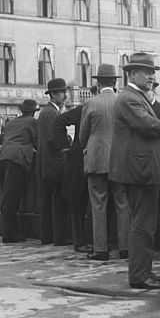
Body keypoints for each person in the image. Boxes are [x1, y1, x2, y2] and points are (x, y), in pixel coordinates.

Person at [109, 53, 160, 290]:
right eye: (147, 71)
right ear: (131, 73)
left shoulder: (134, 97)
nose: (151, 75)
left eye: (153, 71)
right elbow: (147, 125)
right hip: (140, 171)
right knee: (143, 224)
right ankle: (139, 275)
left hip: (141, 170)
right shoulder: (129, 98)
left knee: (144, 223)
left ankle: (143, 270)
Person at [79, 63, 123, 261]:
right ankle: (125, 247)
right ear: (115, 82)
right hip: (119, 159)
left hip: (96, 158)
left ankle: (100, 249)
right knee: (123, 203)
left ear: (97, 82)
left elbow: (82, 136)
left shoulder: (91, 103)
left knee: (98, 204)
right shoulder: (122, 101)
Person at [0, 99, 39, 243]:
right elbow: (37, 142)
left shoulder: (11, 122)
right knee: (11, 198)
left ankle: (11, 231)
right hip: (16, 159)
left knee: (8, 197)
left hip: (1, 158)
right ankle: (8, 234)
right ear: (33, 112)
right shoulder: (32, 122)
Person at [54, 92, 91, 253]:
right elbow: (59, 121)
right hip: (88, 161)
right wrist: (65, 147)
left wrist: (66, 148)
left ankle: (80, 240)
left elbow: (59, 121)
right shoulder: (111, 106)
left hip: (79, 160)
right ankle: (87, 241)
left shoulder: (84, 108)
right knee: (83, 202)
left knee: (79, 203)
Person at [37, 78, 70, 246]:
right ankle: (59, 237)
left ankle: (47, 236)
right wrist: (67, 142)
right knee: (58, 202)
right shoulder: (53, 113)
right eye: (63, 93)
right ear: (54, 95)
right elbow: (54, 137)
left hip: (44, 163)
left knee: (46, 202)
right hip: (55, 164)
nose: (65, 95)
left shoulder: (44, 112)